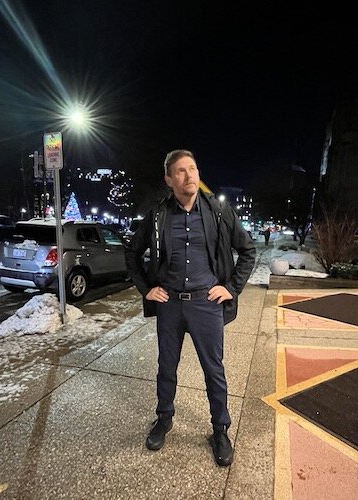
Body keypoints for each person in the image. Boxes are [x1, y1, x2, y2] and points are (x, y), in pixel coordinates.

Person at [124, 149, 256, 467]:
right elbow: (131, 253)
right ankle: (164, 420)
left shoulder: (218, 212)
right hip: (169, 304)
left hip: (205, 304)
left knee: (214, 371)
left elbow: (248, 251)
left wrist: (231, 288)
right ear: (169, 179)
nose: (190, 175)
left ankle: (220, 430)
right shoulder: (158, 216)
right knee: (166, 368)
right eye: (181, 171)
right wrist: (147, 289)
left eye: (193, 168)